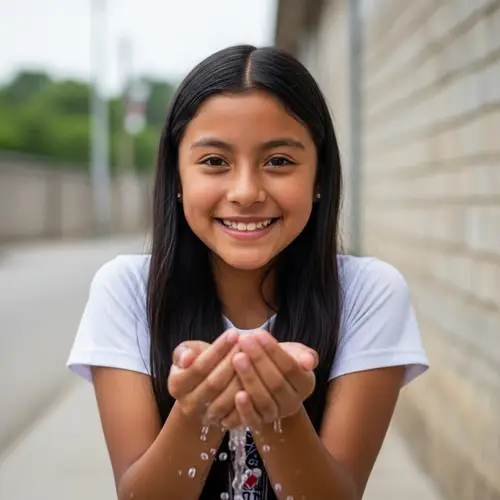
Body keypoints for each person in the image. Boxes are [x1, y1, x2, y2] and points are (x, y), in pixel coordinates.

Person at [67, 44, 428, 500]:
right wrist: (197, 413)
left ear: (319, 178)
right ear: (177, 179)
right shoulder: (125, 291)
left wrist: (282, 415)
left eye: (278, 161)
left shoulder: (369, 292)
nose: (245, 192)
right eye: (214, 161)